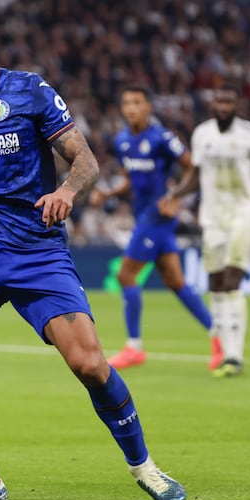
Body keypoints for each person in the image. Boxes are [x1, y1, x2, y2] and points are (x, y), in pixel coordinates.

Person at [0, 1, 185, 500]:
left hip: (37, 253)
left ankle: (146, 468)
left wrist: (68, 192)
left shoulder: (28, 91)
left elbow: (85, 160)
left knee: (90, 364)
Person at [89, 85, 221, 370]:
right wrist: (108, 193)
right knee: (175, 282)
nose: (131, 108)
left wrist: (176, 197)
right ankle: (219, 336)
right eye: (126, 103)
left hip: (157, 217)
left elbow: (192, 167)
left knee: (126, 275)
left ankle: (134, 347)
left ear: (149, 107)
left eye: (137, 102)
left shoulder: (162, 138)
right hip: (143, 215)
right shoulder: (122, 140)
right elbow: (129, 181)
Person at [161, 83, 250, 378]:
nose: (223, 107)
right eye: (219, 102)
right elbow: (196, 176)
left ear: (237, 105)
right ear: (212, 105)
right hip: (212, 216)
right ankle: (224, 353)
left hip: (244, 212)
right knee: (215, 282)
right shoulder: (202, 134)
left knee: (231, 278)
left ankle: (235, 356)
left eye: (229, 102)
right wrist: (175, 194)